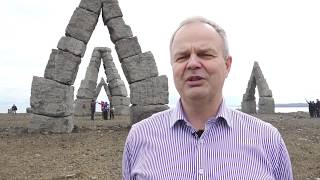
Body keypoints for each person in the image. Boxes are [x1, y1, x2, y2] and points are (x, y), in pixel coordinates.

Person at [122, 16, 293, 179]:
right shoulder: (139, 137)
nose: (193, 63)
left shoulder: (269, 140)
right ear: (173, 66)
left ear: (227, 65)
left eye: (205, 54)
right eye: (182, 57)